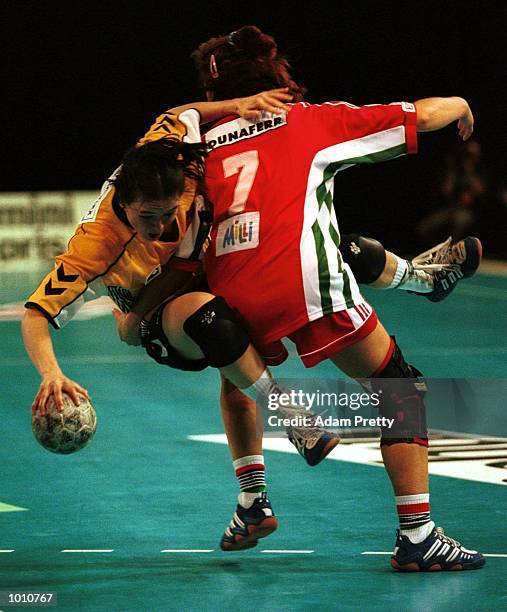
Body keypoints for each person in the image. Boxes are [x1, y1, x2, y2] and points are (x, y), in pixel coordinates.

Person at [188, 25, 485, 570]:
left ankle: (253, 503)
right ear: (275, 75)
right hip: (304, 285)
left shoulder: (194, 146)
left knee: (237, 380)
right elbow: (418, 115)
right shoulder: (310, 122)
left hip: (228, 291)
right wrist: (461, 102)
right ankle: (417, 536)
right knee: (398, 387)